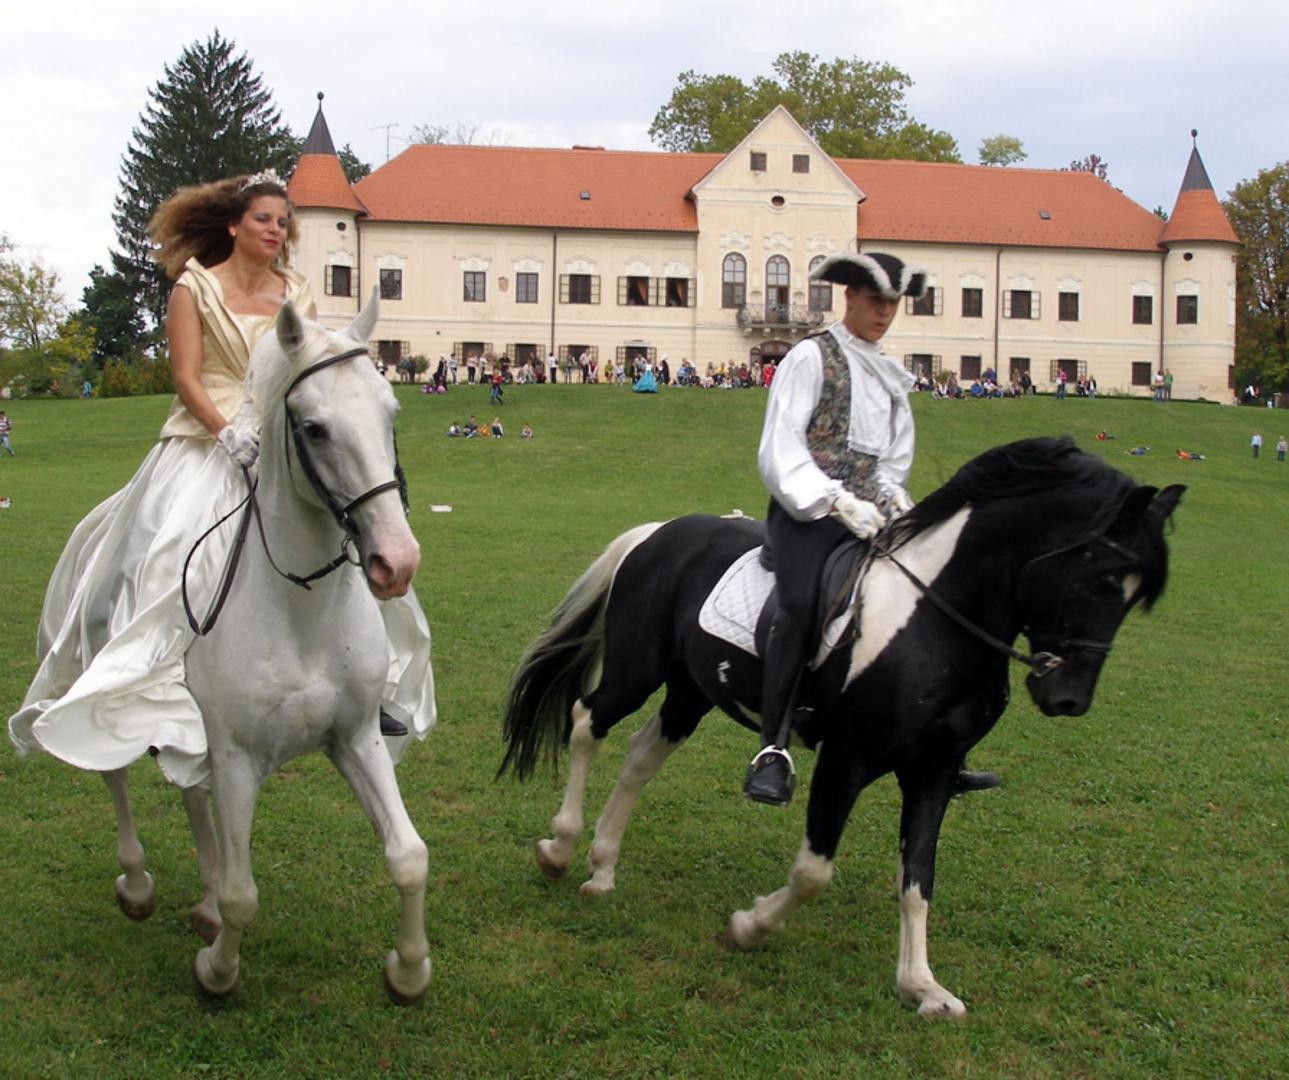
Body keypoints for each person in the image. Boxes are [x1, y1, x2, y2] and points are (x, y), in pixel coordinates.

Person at [9, 171, 436, 786]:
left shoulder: (297, 292)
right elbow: (186, 376)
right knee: (168, 551)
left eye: (284, 222)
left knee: (351, 544)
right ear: (235, 225)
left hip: (279, 448)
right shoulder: (194, 289)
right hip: (202, 441)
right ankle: (160, 688)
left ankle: (374, 687)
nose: (276, 230)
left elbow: (310, 378)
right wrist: (226, 432)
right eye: (264, 219)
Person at [744, 252, 997, 806]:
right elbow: (780, 446)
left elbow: (888, 459)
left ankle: (940, 743)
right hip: (808, 514)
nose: (884, 312)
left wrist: (891, 496)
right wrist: (833, 499)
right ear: (850, 297)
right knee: (801, 605)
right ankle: (773, 747)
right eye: (876, 300)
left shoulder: (887, 373)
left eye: (893, 303)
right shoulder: (810, 357)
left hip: (873, 513)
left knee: (935, 592)